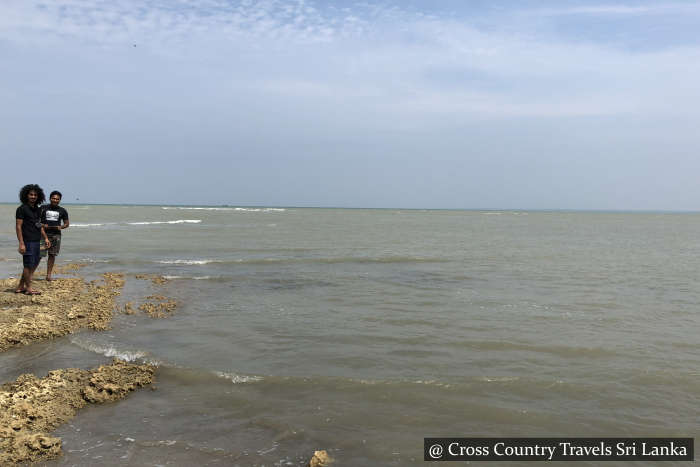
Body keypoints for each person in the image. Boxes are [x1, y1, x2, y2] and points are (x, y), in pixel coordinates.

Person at [15, 184, 51, 295]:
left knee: (33, 263)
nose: (33, 196)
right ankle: (29, 288)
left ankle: (21, 286)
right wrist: (21, 243)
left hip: (37, 240)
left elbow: (38, 225)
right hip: (27, 240)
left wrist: (45, 238)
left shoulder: (37, 209)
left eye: (35, 195)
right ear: (26, 195)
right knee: (28, 265)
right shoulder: (21, 209)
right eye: (31, 194)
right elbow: (18, 226)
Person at [41, 191, 70, 281]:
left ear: (60, 200)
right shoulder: (43, 208)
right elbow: (36, 221)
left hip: (56, 235)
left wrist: (61, 227)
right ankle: (30, 274)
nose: (55, 200)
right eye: (53, 198)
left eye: (57, 199)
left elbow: (67, 224)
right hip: (43, 234)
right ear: (50, 198)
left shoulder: (62, 210)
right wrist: (42, 225)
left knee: (52, 255)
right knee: (39, 254)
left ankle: (48, 275)